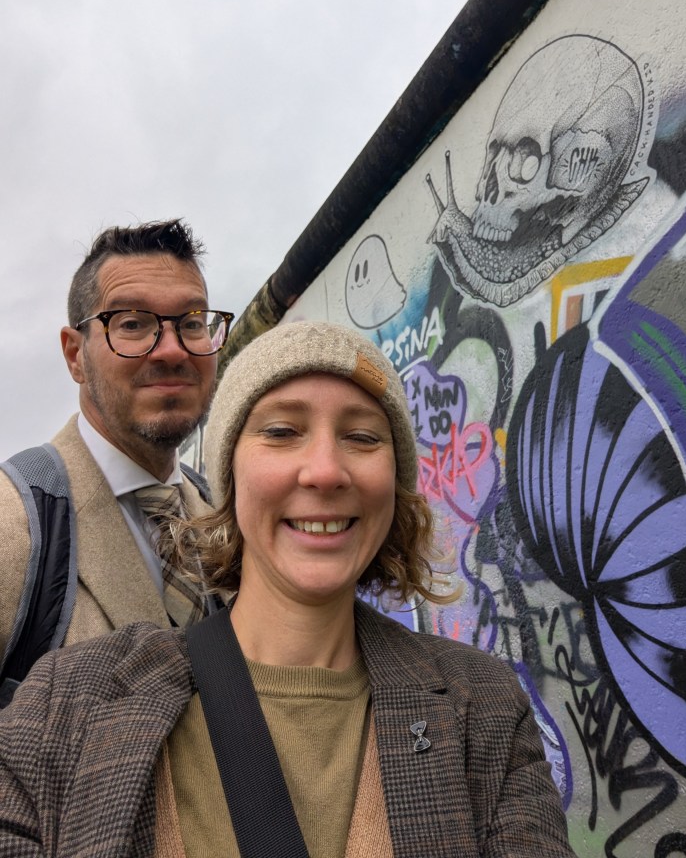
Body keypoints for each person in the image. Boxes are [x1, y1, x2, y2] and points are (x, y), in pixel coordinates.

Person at [0, 322, 576, 858]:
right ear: (230, 479)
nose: (325, 470)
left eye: (362, 436)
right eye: (281, 431)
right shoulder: (68, 704)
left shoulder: (485, 709)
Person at [0, 218, 234, 684]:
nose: (171, 350)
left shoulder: (229, 515)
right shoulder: (15, 527)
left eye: (191, 322)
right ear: (74, 355)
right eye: (131, 323)